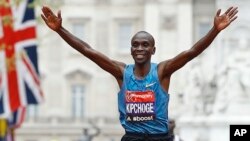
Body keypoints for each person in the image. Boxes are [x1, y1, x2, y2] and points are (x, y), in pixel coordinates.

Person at [41, 5, 238, 141]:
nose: (140, 48)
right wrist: (60, 30)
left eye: (145, 45)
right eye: (135, 45)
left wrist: (215, 30)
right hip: (132, 138)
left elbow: (191, 53)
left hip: (160, 138)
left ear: (153, 50)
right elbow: (88, 51)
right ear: (131, 50)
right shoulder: (121, 72)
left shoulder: (162, 71)